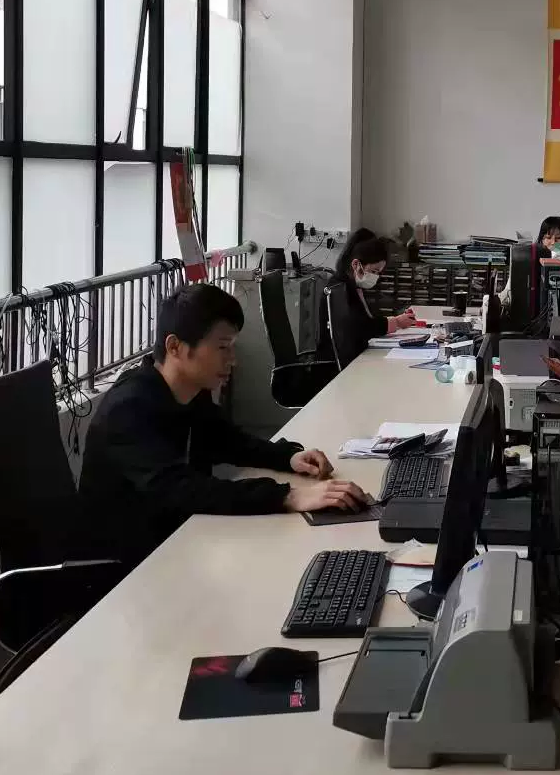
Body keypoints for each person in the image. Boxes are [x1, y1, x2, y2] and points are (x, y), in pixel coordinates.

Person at [79, 282, 368, 571]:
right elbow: (182, 489)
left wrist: (288, 458)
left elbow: (226, 440)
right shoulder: (128, 409)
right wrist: (287, 495)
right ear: (175, 347)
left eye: (232, 347)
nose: (233, 360)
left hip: (179, 540)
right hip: (126, 568)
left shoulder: (190, 390)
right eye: (222, 347)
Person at [326, 229, 418, 369]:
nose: (376, 277)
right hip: (341, 367)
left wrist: (395, 320)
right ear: (356, 264)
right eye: (374, 271)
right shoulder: (339, 289)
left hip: (354, 358)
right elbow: (360, 327)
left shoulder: (352, 285)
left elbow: (365, 321)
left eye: (378, 273)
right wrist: (396, 322)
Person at [497, 215, 560, 307]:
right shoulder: (526, 262)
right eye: (548, 238)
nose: (553, 242)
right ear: (541, 240)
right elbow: (505, 296)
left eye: (559, 238)